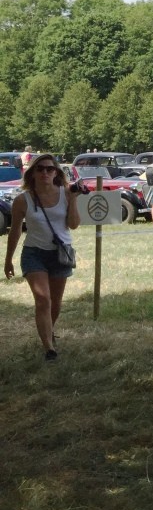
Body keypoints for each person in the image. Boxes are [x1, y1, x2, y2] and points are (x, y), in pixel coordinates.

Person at [4, 153, 81, 362]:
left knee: (55, 303)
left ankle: (48, 332)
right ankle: (49, 348)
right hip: (34, 254)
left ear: (56, 172)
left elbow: (73, 225)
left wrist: (72, 200)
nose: (45, 172)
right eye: (40, 169)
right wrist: (8, 259)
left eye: (50, 169)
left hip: (60, 253)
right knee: (43, 299)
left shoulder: (66, 194)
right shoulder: (23, 200)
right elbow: (15, 231)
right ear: (33, 173)